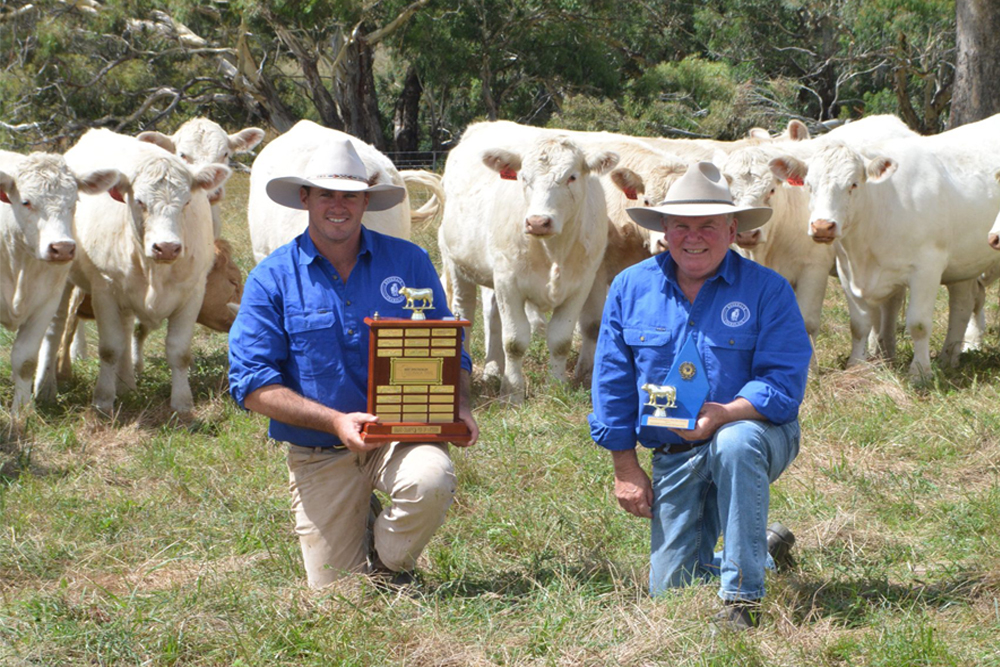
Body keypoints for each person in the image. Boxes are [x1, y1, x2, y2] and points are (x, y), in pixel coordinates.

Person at [229, 138, 478, 588]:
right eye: (326, 194)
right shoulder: (271, 277)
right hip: (320, 450)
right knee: (337, 598)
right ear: (305, 198)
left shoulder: (409, 261)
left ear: (366, 200)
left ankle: (389, 561)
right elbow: (252, 384)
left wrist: (456, 403)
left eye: (350, 195)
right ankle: (357, 526)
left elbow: (449, 345)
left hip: (402, 436)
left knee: (431, 480)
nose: (338, 206)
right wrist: (337, 422)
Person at [588, 161, 811, 631]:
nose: (694, 237)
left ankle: (741, 600)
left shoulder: (767, 289)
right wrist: (626, 468)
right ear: (664, 231)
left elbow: (784, 382)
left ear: (732, 231)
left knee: (735, 443)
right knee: (670, 588)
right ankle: (760, 549)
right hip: (674, 448)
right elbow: (611, 381)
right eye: (681, 226)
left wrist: (726, 413)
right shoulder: (630, 287)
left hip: (757, 432)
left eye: (708, 226)